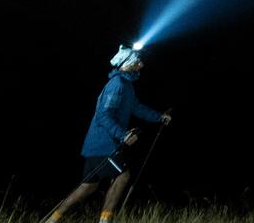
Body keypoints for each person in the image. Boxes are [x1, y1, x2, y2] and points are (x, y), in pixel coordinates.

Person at [44, 45, 171, 223]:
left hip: (99, 144)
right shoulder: (117, 84)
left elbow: (136, 107)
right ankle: (104, 221)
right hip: (104, 144)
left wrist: (158, 117)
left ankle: (52, 219)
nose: (141, 65)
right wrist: (123, 135)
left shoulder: (126, 85)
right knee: (123, 176)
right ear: (127, 64)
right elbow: (103, 114)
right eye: (138, 61)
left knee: (88, 187)